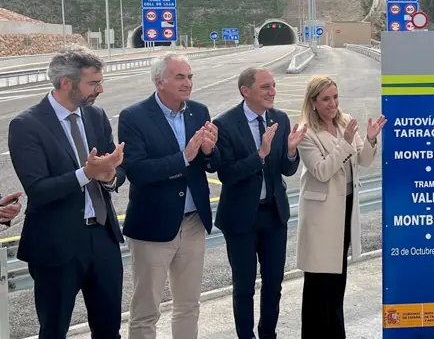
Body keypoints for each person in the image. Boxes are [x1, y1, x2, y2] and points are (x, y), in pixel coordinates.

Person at [7, 45, 126, 338]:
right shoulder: (27, 125)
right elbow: (39, 189)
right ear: (65, 83)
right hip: (56, 243)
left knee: (109, 327)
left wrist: (110, 176)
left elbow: (116, 169)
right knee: (54, 328)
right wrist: (87, 173)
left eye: (100, 82)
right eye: (93, 83)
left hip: (102, 237)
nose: (99, 89)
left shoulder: (95, 116)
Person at [119, 52, 221, 339]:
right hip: (153, 225)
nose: (187, 83)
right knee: (146, 310)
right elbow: (136, 171)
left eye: (189, 77)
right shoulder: (134, 116)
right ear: (159, 81)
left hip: (192, 223)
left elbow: (213, 164)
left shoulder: (199, 111)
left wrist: (209, 151)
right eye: (180, 77)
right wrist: (184, 158)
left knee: (189, 305)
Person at [213, 67, 306, 339]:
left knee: (274, 284)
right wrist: (260, 154)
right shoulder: (225, 123)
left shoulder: (280, 119)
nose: (273, 92)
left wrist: (290, 151)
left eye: (274, 86)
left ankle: (268, 334)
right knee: (243, 286)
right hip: (241, 218)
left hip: (273, 215)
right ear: (246, 91)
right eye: (265, 87)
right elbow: (226, 174)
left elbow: (286, 170)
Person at [295, 76, 386, 338]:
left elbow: (364, 161)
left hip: (344, 209)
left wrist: (369, 140)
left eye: (335, 97)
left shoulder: (344, 122)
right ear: (312, 103)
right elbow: (321, 171)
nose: (332, 103)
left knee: (337, 282)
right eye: (325, 99)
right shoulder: (306, 133)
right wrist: (346, 142)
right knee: (317, 286)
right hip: (320, 217)